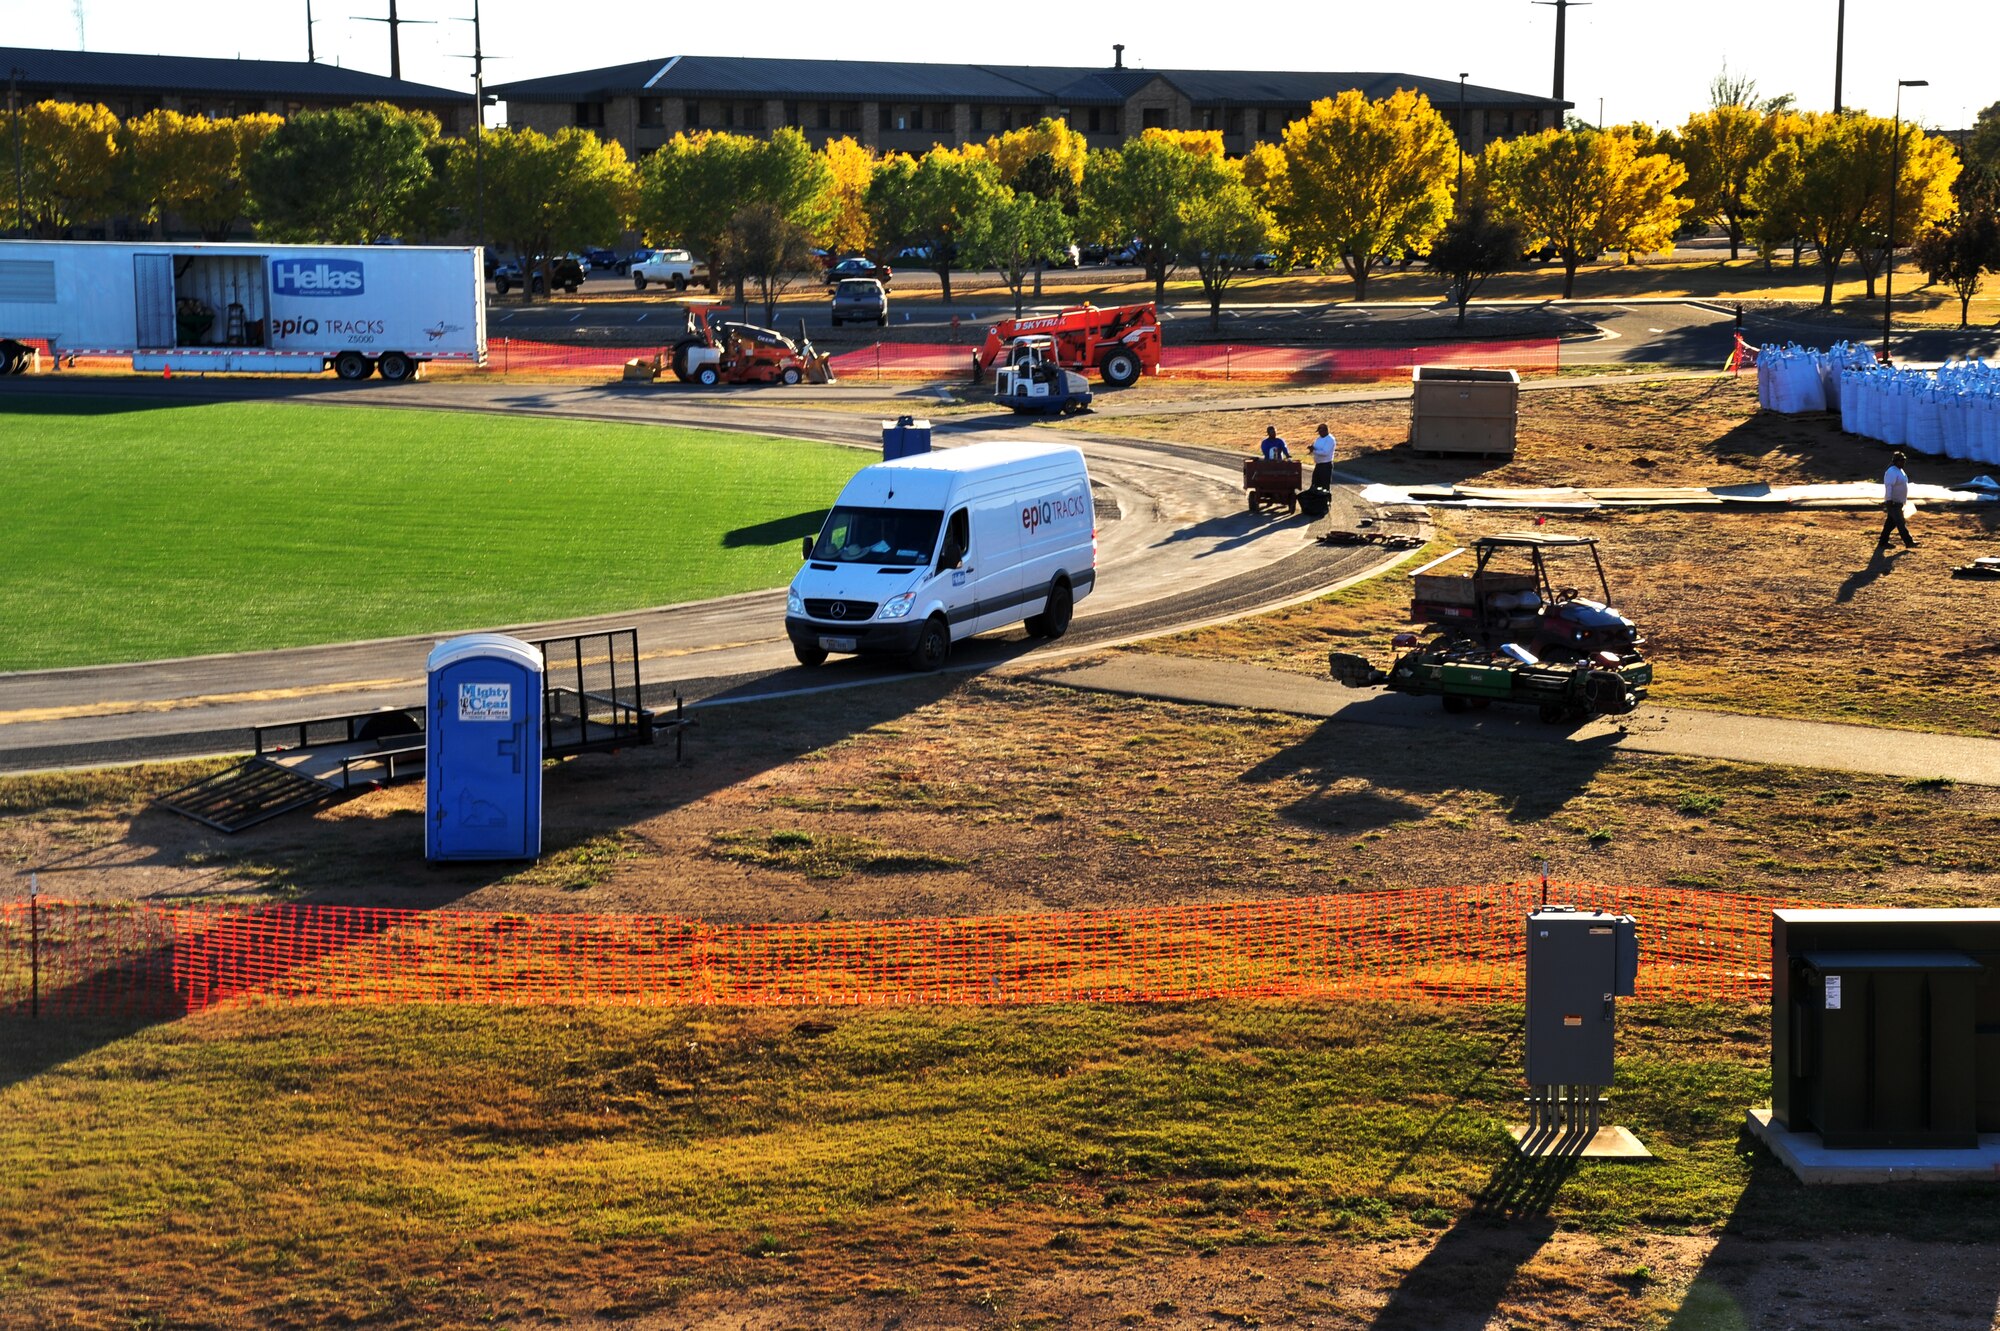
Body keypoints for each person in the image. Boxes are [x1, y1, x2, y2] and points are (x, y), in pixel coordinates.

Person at [1878, 451, 1916, 551]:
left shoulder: (1900, 471)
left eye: (1904, 460)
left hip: (1898, 502)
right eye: (1901, 460)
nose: (1903, 462)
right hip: (1893, 503)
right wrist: (1889, 500)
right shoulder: (1892, 471)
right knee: (1900, 522)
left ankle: (1883, 542)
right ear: (1896, 461)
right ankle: (1909, 542)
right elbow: (1889, 486)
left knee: (1890, 523)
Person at [1309, 423, 1336, 490]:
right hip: (1318, 465)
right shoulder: (1318, 439)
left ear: (1326, 431)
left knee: (1325, 485)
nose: (1319, 433)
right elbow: (1316, 448)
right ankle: (1315, 499)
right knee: (1314, 484)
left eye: (1321, 431)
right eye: (1319, 432)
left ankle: (1326, 499)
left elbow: (1325, 453)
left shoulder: (1330, 439)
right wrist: (1312, 448)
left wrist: (1314, 451)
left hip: (1326, 465)